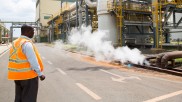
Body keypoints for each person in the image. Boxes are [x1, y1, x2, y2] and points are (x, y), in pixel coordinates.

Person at [7, 25, 45, 102]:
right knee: (29, 99)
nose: (33, 33)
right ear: (27, 32)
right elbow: (33, 61)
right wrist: (40, 74)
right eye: (32, 31)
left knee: (19, 98)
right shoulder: (27, 44)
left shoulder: (15, 42)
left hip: (17, 76)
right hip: (28, 76)